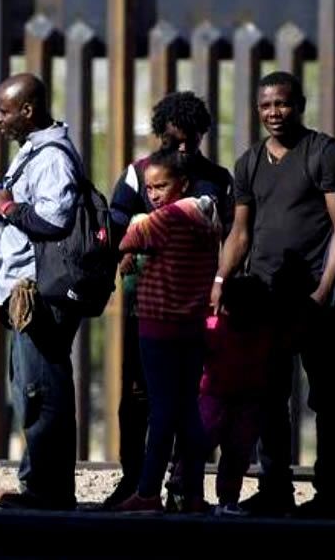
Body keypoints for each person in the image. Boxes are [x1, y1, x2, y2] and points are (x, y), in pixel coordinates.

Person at [213, 71, 335, 519]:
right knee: (268, 396)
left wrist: (323, 292)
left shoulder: (323, 152)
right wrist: (220, 280)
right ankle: (275, 488)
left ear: (300, 105)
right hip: (265, 297)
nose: (274, 113)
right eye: (266, 105)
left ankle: (332, 494)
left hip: (313, 298)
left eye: (282, 103)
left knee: (326, 396)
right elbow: (240, 231)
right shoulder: (249, 162)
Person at [103, 91, 233, 508]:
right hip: (148, 304)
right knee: (140, 397)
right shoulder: (139, 172)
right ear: (161, 135)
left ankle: (167, 487)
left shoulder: (214, 180)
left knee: (176, 401)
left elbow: (125, 231)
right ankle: (138, 479)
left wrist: (138, 232)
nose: (182, 148)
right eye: (173, 140)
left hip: (171, 312)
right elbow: (116, 219)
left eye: (189, 139)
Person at [0, 73, 82, 510]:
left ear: (28, 109)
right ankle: (37, 483)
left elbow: (54, 221)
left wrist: (5, 206)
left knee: (43, 390)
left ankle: (49, 491)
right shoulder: (33, 152)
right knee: (29, 389)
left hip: (41, 293)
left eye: (4, 111)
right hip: (22, 290)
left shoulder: (53, 157)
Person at [173, 275, 275, 516]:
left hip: (220, 398)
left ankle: (184, 486)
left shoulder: (216, 326)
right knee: (234, 453)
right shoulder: (263, 333)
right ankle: (222, 497)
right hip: (234, 400)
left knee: (207, 445)